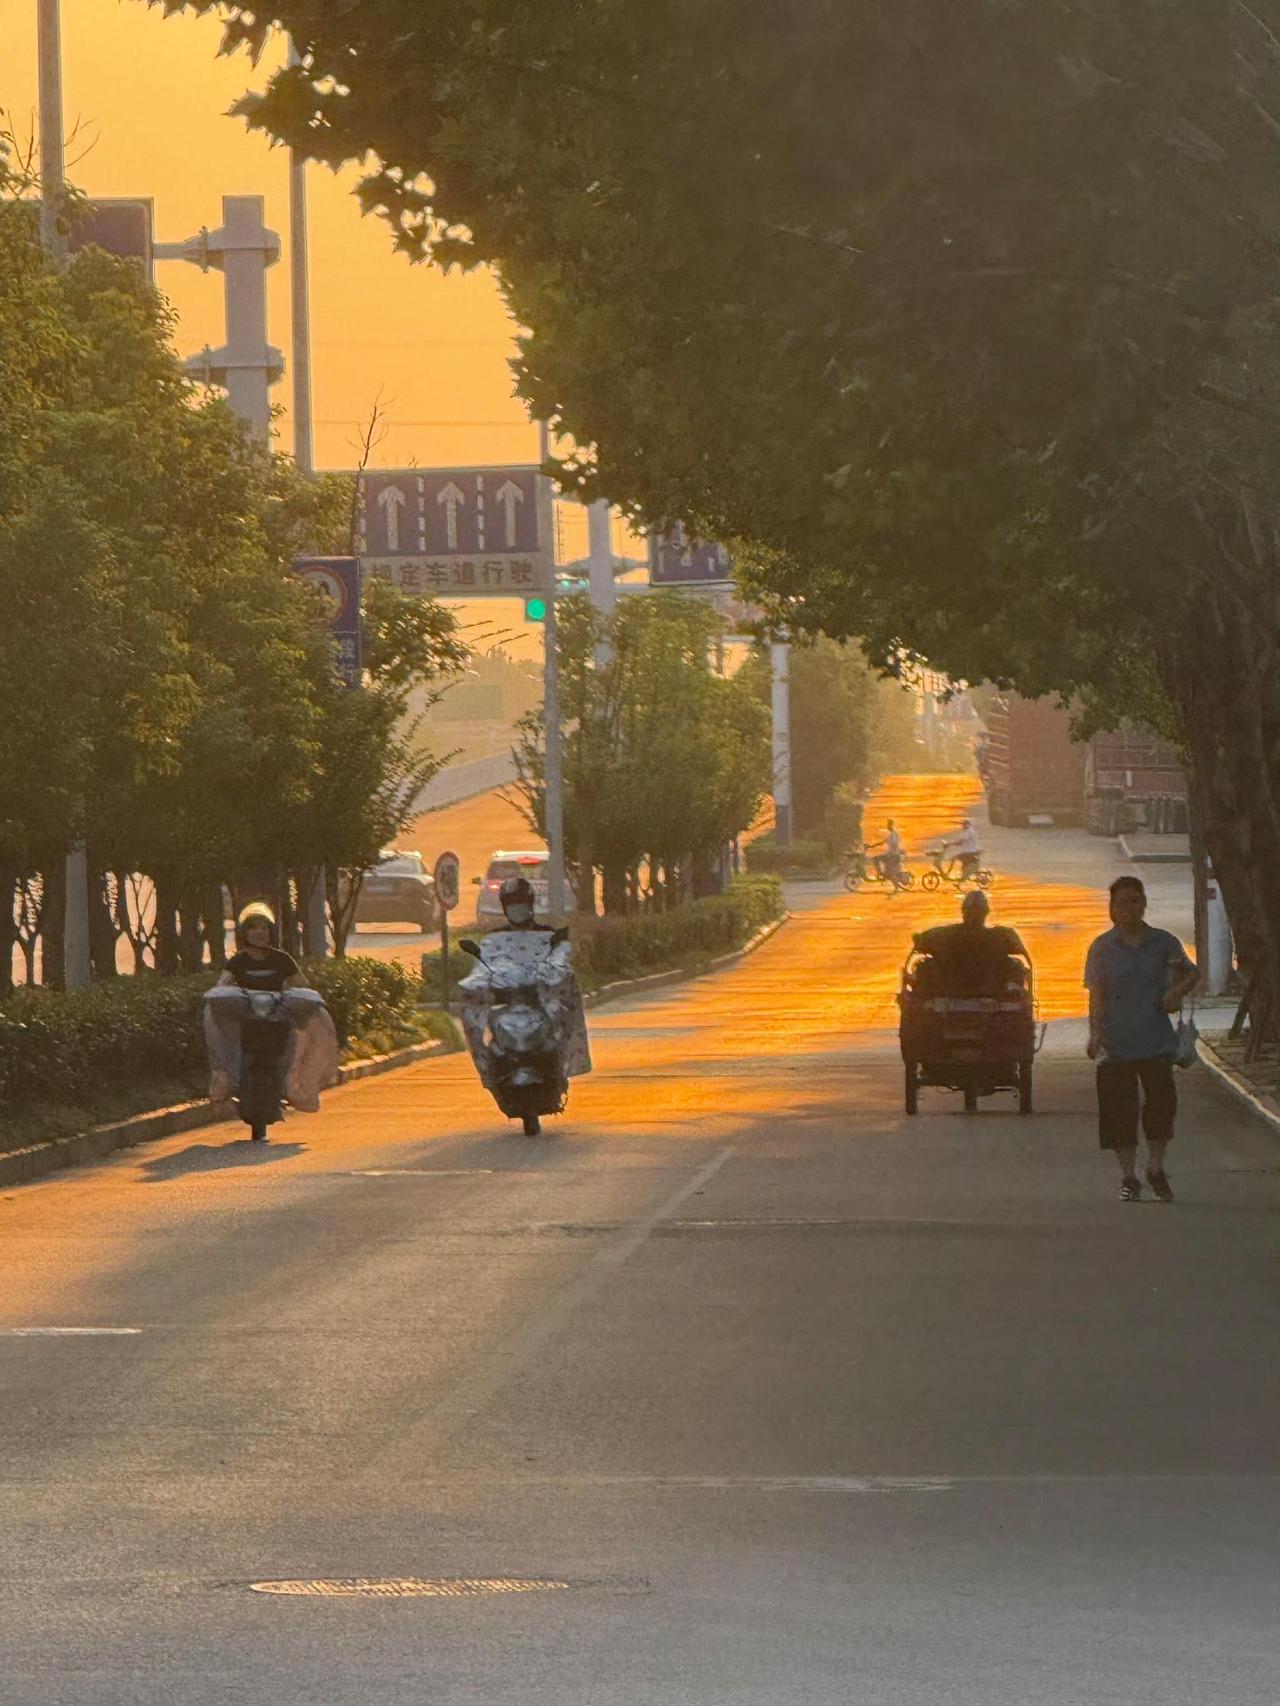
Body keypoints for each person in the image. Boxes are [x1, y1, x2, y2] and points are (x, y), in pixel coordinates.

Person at [1084, 875, 1198, 1202]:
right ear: (1112, 908)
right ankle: (1128, 1176)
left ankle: (1156, 1167)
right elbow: (1097, 994)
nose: (1129, 908)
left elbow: (1191, 972)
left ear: (1144, 904)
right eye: (1121, 902)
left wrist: (1174, 994)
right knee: (1119, 1112)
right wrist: (1095, 1034)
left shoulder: (1163, 943)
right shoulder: (1103, 947)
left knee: (1161, 1108)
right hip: (1116, 1042)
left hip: (1155, 1040)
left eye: (1135, 901)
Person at [915, 890, 1026, 994]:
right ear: (986, 912)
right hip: (972, 987)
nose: (973, 917)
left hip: (960, 987)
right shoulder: (1000, 935)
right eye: (971, 913)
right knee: (924, 965)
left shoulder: (945, 934)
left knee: (1016, 965)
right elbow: (1019, 949)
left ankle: (922, 993)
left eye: (976, 913)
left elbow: (920, 941)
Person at [218, 903, 311, 992]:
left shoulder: (283, 959)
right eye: (253, 928)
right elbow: (220, 987)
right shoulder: (236, 962)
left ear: (270, 933)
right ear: (245, 933)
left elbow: (305, 988)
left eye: (264, 928)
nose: (259, 932)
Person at [870, 820, 905, 884]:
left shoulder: (894, 835)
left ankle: (880, 873)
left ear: (892, 826)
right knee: (876, 859)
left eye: (890, 825)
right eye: (888, 825)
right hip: (889, 854)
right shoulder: (890, 835)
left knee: (876, 859)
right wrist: (872, 846)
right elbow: (883, 842)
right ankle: (880, 873)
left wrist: (894, 853)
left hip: (892, 855)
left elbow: (895, 844)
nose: (888, 827)